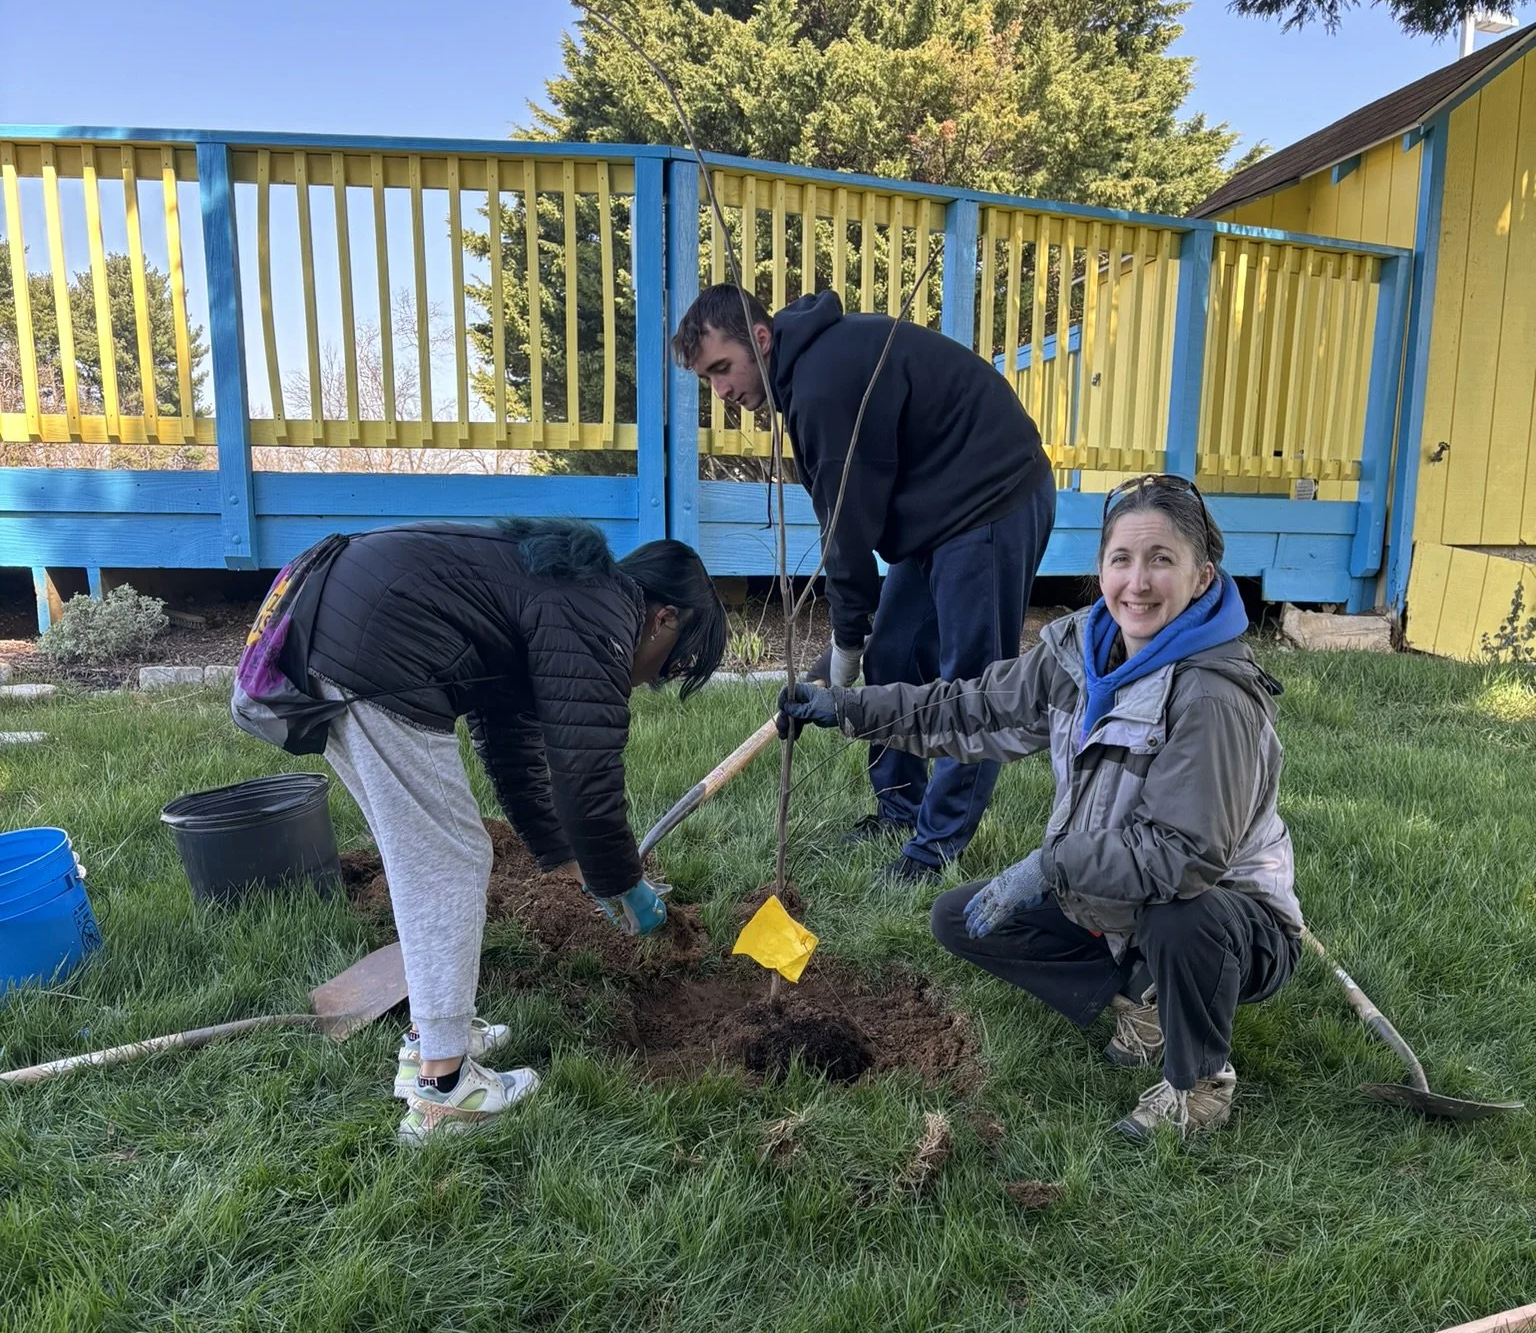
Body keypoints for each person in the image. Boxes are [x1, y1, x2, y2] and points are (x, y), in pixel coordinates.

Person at [777, 477, 1303, 1144]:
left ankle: (1197, 1083)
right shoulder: (1075, 653)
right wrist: (847, 708)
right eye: (1122, 559)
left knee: (1181, 916)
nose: (1137, 582)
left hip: (1228, 920)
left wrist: (1049, 867)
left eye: (1162, 560)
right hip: (1116, 894)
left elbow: (1184, 857)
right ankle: (1143, 1004)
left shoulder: (1212, 695)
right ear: (1101, 568)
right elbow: (971, 709)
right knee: (960, 919)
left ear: (1202, 578)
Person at [234, 519, 726, 1146]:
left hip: (342, 636)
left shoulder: (566, 598)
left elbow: (511, 746)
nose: (652, 679)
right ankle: (444, 1090)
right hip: (377, 652)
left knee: (429, 856)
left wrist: (561, 856)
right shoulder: (605, 612)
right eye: (670, 667)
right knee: (451, 861)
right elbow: (586, 774)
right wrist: (623, 883)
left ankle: (436, 1035)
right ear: (664, 619)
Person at [672, 284, 1056, 883]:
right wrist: (855, 648)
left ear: (762, 339)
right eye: (708, 379)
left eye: (723, 368)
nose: (721, 391)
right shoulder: (811, 371)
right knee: (896, 651)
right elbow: (854, 522)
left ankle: (935, 847)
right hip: (936, 513)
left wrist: (844, 651)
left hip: (991, 499)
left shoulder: (823, 385)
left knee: (972, 683)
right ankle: (900, 806)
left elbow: (846, 533)